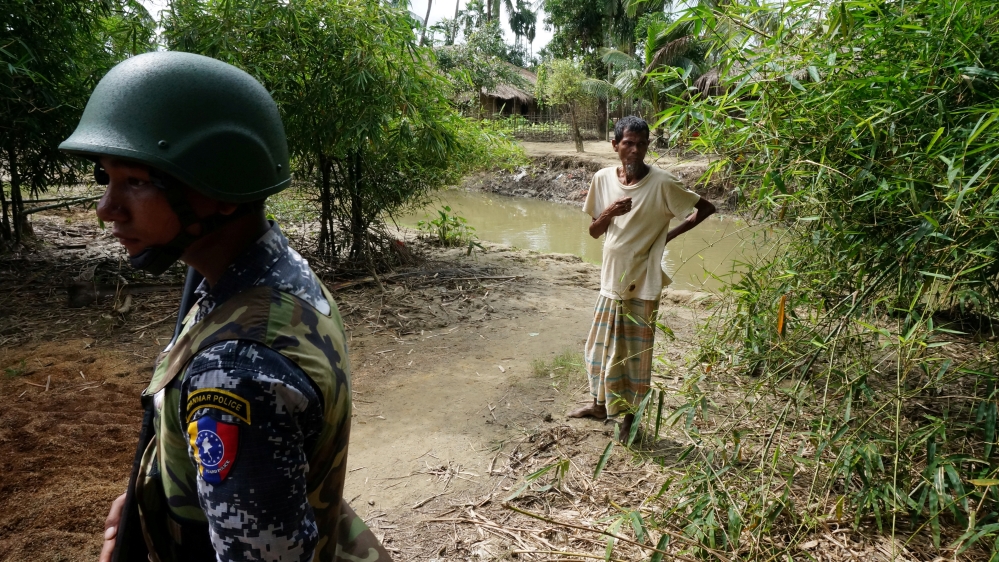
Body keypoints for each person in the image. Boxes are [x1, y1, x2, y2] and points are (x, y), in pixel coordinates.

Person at [59, 51, 390, 562]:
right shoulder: (277, 273)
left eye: (137, 182)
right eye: (106, 177)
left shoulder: (235, 370)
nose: (107, 209)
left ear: (222, 191)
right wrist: (157, 497)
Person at [568, 116, 716, 439]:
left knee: (634, 356)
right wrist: (610, 212)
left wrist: (664, 239)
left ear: (648, 146)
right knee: (600, 350)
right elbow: (594, 232)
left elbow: (705, 209)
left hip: (642, 284)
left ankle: (628, 420)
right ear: (615, 145)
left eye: (641, 144)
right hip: (610, 281)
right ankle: (599, 405)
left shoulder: (662, 183)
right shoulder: (603, 179)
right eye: (628, 144)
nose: (635, 150)